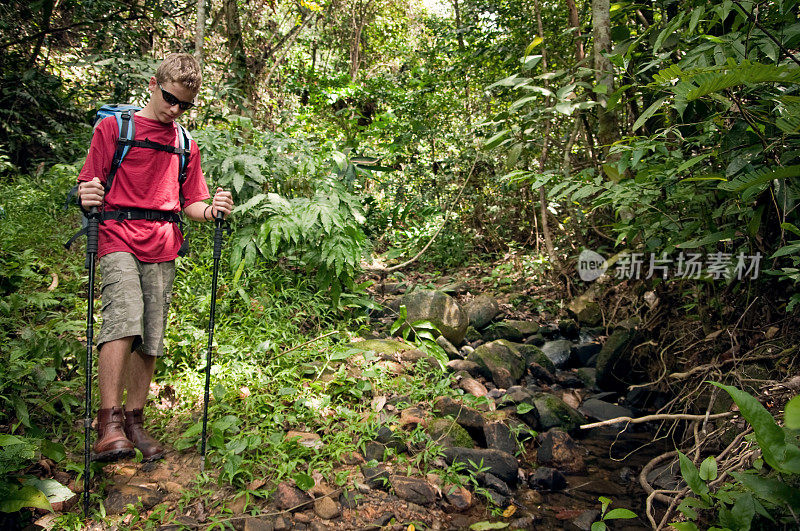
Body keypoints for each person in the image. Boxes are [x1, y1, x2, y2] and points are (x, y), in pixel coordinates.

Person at [76, 53, 233, 462]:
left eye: (185, 104)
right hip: (116, 234)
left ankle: (134, 422)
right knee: (124, 315)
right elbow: (88, 185)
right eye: (170, 98)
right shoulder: (114, 129)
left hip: (163, 240)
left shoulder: (185, 144)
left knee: (151, 333)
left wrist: (212, 209)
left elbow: (192, 201)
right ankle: (107, 423)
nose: (176, 109)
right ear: (153, 84)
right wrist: (87, 195)